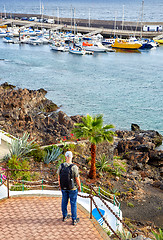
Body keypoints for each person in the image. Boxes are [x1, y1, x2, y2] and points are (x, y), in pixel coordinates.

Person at [58, 151, 81, 225]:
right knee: (73, 203)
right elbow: (77, 178)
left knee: (64, 202)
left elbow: (59, 177)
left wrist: (60, 185)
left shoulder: (61, 166)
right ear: (72, 157)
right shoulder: (74, 167)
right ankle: (74, 219)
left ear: (65, 157)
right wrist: (79, 187)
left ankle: (65, 216)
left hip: (64, 187)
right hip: (73, 188)